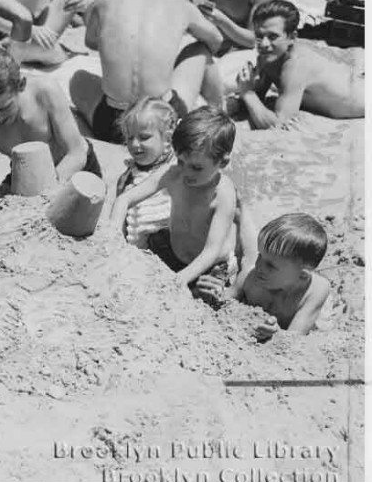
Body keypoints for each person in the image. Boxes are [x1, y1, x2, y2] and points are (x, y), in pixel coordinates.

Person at [70, 0, 224, 144]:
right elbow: (216, 41)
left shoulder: (103, 4)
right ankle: (219, 116)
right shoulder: (180, 5)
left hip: (113, 124)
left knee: (78, 80)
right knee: (200, 50)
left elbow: (91, 42)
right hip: (162, 121)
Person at [110, 106, 238, 288]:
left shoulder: (222, 193)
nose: (185, 171)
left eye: (196, 167)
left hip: (210, 265)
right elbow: (125, 199)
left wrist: (180, 279)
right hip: (175, 252)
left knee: (209, 292)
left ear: (222, 162)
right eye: (180, 161)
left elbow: (212, 250)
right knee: (151, 244)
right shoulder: (174, 173)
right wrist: (112, 235)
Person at [0, 47, 102, 208]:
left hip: (73, 167)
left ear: (21, 85)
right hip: (25, 173)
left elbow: (76, 153)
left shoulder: (44, 92)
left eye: (3, 108)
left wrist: (43, 196)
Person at [196, 213, 330, 340]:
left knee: (325, 324)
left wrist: (276, 333)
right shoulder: (250, 277)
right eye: (260, 255)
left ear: (302, 275)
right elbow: (223, 300)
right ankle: (240, 217)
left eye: (270, 265)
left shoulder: (314, 292)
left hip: (313, 313)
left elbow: (295, 336)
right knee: (242, 262)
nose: (259, 265)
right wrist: (213, 294)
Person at [236, 0, 365, 128]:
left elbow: (278, 125)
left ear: (292, 37)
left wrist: (248, 93)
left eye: (273, 37)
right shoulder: (269, 56)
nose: (263, 44)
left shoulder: (296, 65)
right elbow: (258, 98)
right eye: (259, 35)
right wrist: (248, 90)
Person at [114, 97, 177, 248]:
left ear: (167, 139)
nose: (135, 144)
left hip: (173, 244)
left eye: (144, 137)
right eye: (130, 138)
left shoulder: (175, 166)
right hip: (140, 254)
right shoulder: (128, 176)